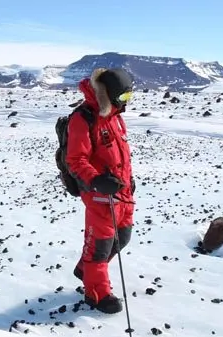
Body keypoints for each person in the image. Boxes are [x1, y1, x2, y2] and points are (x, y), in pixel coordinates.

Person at [65, 68, 136, 314]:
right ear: (109, 94)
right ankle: (96, 293)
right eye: (124, 97)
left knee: (123, 238)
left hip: (123, 194)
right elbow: (75, 160)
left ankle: (85, 270)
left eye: (130, 97)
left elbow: (120, 154)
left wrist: (130, 179)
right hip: (100, 196)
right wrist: (96, 181)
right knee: (99, 248)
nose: (127, 103)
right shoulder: (83, 118)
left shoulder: (115, 116)